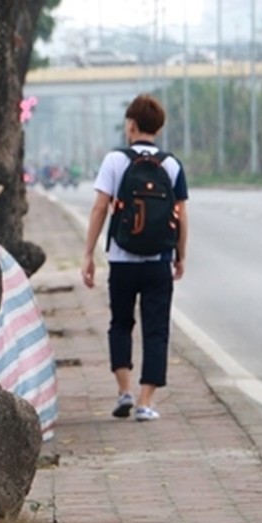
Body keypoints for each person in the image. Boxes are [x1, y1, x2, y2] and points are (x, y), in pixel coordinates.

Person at [81, 95, 188, 422]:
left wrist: (88, 254)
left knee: (120, 324)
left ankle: (123, 391)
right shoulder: (171, 164)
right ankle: (145, 402)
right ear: (158, 127)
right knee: (156, 330)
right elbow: (181, 215)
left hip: (122, 260)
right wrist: (180, 256)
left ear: (131, 125)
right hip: (158, 261)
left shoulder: (115, 160)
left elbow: (101, 207)